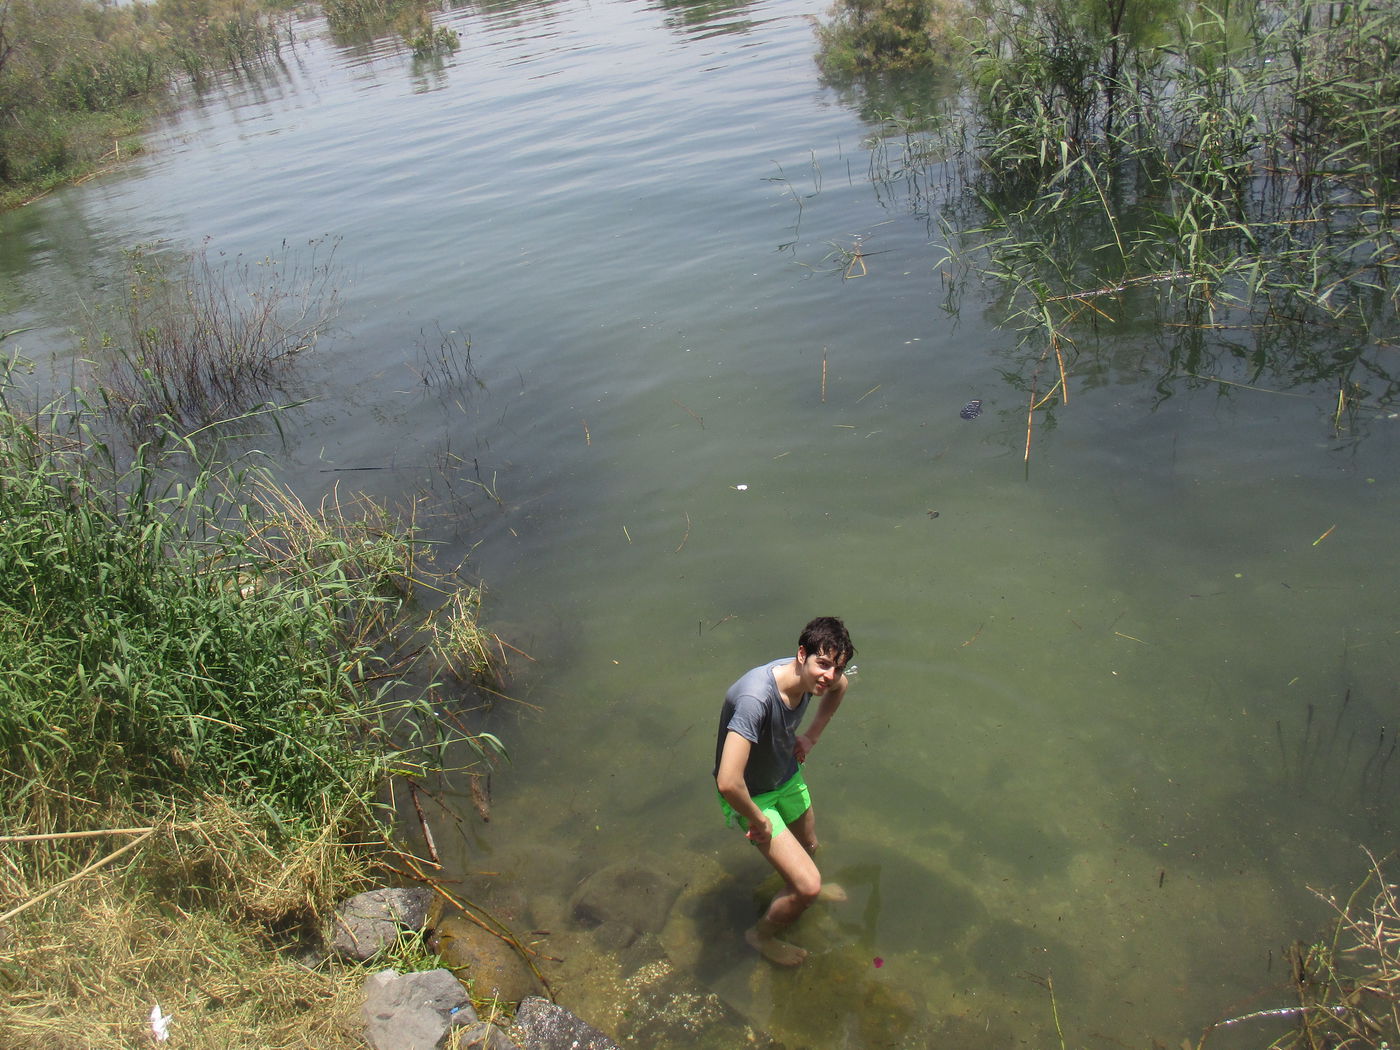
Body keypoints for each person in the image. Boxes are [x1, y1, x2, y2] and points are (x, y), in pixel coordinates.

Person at [713, 616, 855, 966]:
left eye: (836, 668)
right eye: (822, 665)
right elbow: (728, 781)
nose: (829, 676)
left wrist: (812, 735)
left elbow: (841, 688)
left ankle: (807, 886)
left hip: (785, 775)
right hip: (751, 795)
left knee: (810, 846)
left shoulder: (820, 681)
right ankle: (759, 936)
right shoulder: (755, 699)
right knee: (806, 886)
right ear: (801, 654)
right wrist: (758, 820)